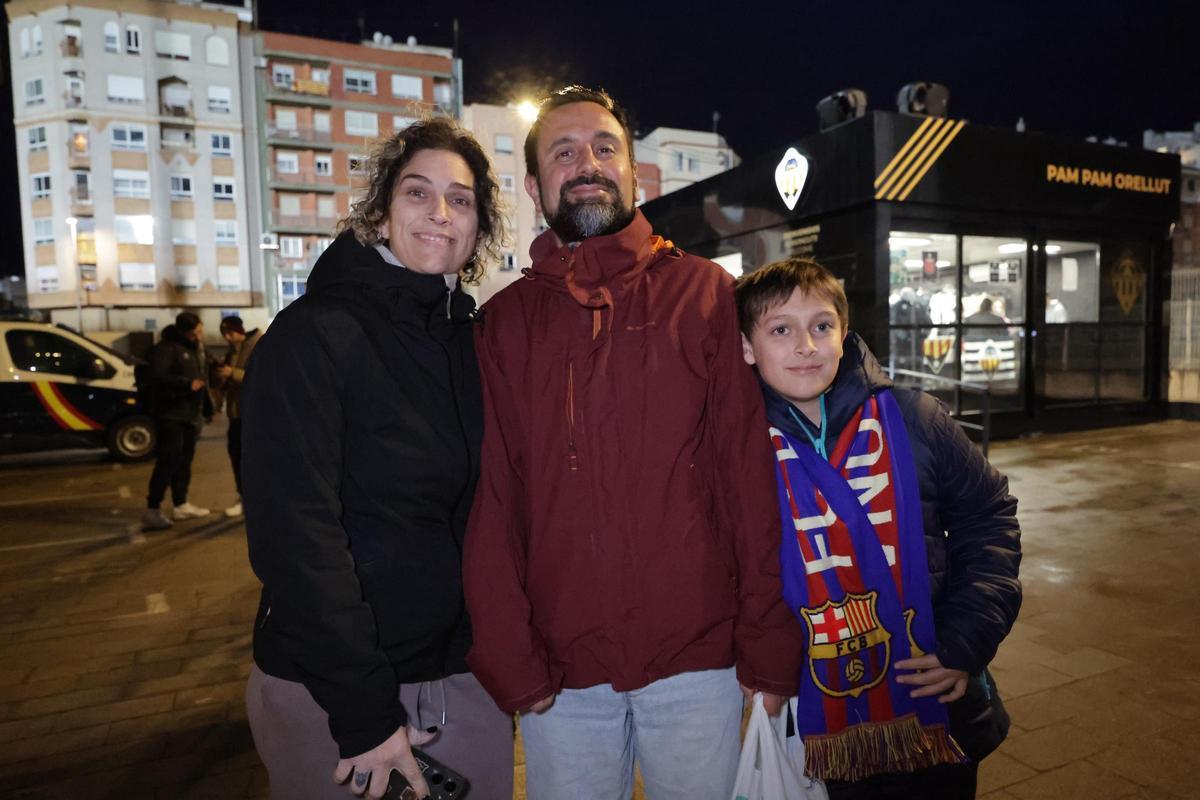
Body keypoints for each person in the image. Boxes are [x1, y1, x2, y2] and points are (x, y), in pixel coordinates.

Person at [462, 85, 803, 800]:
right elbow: (493, 498)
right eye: (563, 151)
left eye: (604, 147)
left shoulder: (705, 294)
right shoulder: (504, 324)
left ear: (635, 174)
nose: (586, 162)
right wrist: (509, 653)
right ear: (534, 186)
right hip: (562, 671)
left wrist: (768, 642)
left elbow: (746, 478)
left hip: (697, 661)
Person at [241, 118, 513, 800]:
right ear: (381, 211)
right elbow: (296, 537)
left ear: (478, 228)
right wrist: (362, 712)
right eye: (418, 193)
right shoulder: (314, 335)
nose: (439, 213)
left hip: (460, 677)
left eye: (461, 199)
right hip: (336, 695)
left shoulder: (469, 344)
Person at [734, 258, 1022, 799]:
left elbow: (990, 519)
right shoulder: (738, 451)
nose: (807, 345)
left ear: (844, 334)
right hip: (816, 721)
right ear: (748, 347)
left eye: (822, 325)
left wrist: (966, 640)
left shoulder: (916, 418)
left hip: (939, 708)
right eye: (780, 330)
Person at [141, 310, 212, 531]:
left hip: (190, 414)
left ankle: (181, 503)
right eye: (195, 333)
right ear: (184, 331)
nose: (199, 337)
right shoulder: (166, 349)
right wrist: (185, 384)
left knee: (184, 460)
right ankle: (153, 508)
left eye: (200, 332)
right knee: (168, 460)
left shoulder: (193, 349)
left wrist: (207, 406)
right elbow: (156, 378)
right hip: (171, 414)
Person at [214, 315, 261, 518]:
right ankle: (243, 498)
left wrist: (232, 372)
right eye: (224, 334)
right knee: (237, 456)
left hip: (254, 413)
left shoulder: (259, 344)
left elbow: (259, 376)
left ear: (239, 330)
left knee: (255, 460)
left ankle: (257, 501)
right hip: (236, 413)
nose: (227, 337)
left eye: (230, 332)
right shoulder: (232, 351)